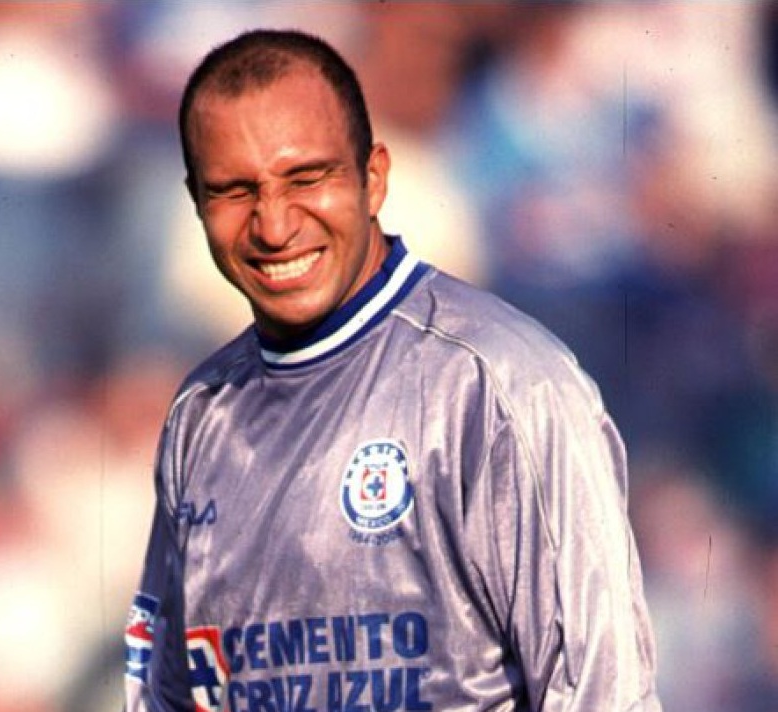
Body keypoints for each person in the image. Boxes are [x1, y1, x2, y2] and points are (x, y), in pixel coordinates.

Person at [124, 29, 661, 711]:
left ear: (373, 177)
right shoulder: (201, 415)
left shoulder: (501, 386)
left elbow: (603, 691)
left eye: (306, 178)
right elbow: (164, 695)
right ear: (198, 201)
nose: (274, 225)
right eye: (234, 190)